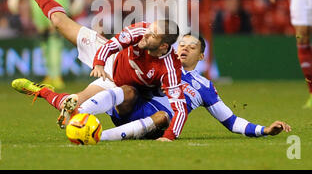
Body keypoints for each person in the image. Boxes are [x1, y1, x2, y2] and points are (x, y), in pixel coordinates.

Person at [1, 0, 188, 141]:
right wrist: (99, 63)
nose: (147, 35)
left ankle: (43, 92)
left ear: (163, 46)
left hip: (125, 90)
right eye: (150, 29)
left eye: (153, 35)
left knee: (71, 112)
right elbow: (110, 46)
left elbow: (180, 108)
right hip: (110, 63)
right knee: (59, 22)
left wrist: (170, 137)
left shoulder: (170, 67)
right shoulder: (140, 30)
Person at [99, 33, 291, 141]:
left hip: (158, 126)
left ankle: (101, 136)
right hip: (129, 108)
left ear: (201, 56)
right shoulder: (162, 63)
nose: (184, 49)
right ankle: (75, 112)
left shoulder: (204, 87)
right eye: (182, 45)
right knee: (122, 90)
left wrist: (264, 130)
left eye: (192, 47)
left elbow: (231, 121)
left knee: (163, 116)